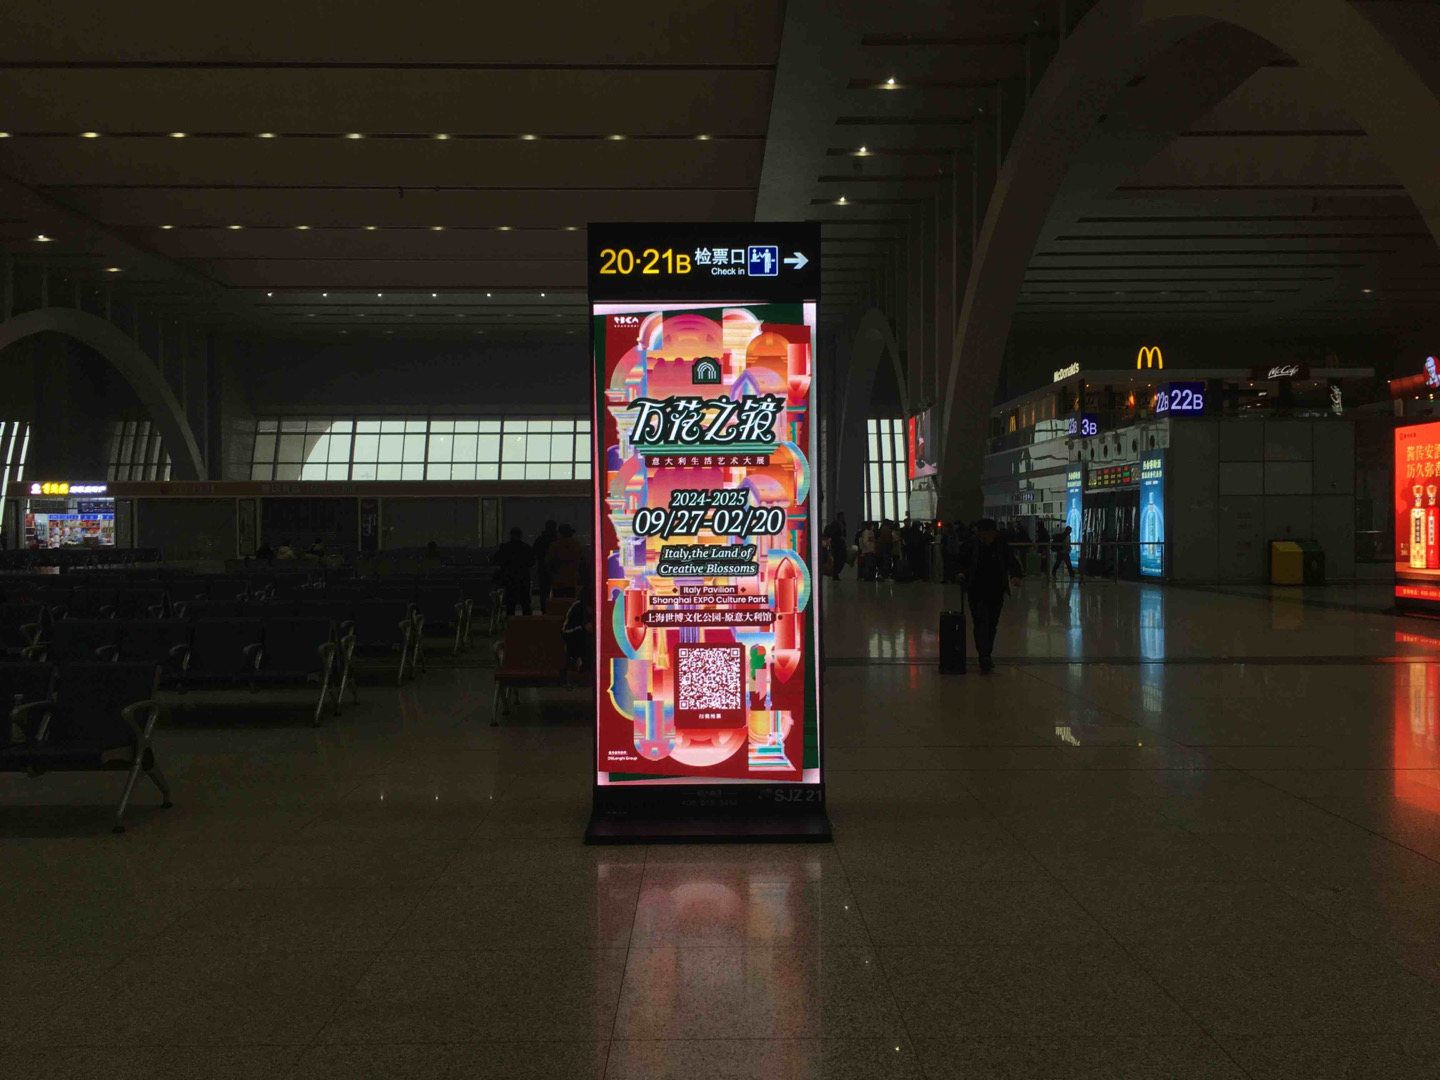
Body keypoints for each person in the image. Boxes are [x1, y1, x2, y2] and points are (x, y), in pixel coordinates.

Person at [959, 517, 1023, 674]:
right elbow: (960, 561)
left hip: (996, 590)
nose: (987, 538)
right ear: (979, 533)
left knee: (992, 624)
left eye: (990, 534)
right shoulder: (972, 544)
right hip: (976, 590)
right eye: (984, 534)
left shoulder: (1001, 545)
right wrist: (960, 573)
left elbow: (1012, 562)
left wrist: (1016, 576)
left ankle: (986, 653)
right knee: (981, 622)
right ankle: (984, 656)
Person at [493, 526, 535, 616]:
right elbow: (532, 562)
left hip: (510, 577)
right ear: (520, 536)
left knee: (510, 604)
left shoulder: (505, 547)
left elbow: (497, 560)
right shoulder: (526, 547)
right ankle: (527, 621)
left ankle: (510, 621)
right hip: (523, 577)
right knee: (525, 602)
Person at [546, 523, 586, 599]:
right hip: (572, 580)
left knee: (559, 602)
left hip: (558, 580)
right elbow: (583, 562)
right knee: (570, 601)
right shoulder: (577, 545)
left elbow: (549, 562)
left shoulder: (555, 545)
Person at [532, 520, 558, 601]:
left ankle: (544, 607)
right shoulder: (558, 540)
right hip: (557, 569)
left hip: (543, 569)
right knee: (558, 593)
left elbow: (534, 553)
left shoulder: (540, 540)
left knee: (544, 592)